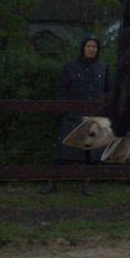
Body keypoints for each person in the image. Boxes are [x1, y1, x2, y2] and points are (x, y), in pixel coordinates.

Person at [46, 36, 113, 194]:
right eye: (89, 46)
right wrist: (66, 109)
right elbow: (61, 90)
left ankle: (86, 184)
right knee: (62, 152)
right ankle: (52, 183)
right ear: (83, 48)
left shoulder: (103, 68)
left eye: (94, 47)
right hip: (72, 115)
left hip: (93, 118)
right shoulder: (70, 66)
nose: (91, 49)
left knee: (91, 153)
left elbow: (108, 92)